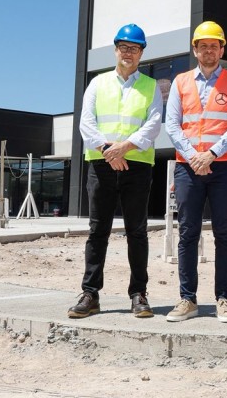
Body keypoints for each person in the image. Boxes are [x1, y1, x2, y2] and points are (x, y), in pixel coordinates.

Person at [69, 23, 162, 320]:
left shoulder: (151, 86)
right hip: (101, 163)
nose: (128, 53)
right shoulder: (97, 83)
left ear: (141, 53)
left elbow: (153, 124)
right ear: (115, 50)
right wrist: (110, 151)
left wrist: (124, 148)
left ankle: (138, 294)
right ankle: (90, 294)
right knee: (98, 231)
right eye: (124, 47)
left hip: (136, 164)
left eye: (134, 48)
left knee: (137, 231)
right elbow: (86, 123)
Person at [164, 21, 227, 323]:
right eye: (204, 45)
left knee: (224, 233)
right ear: (195, 49)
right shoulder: (180, 82)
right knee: (188, 233)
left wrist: (211, 154)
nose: (209, 50)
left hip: (224, 167)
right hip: (188, 168)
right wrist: (193, 156)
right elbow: (172, 125)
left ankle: (223, 300)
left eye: (215, 45)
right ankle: (188, 299)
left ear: (222, 49)